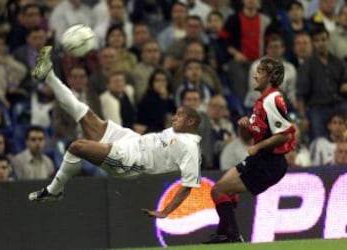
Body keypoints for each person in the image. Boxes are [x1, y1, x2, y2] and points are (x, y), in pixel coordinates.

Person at [28, 46, 202, 218]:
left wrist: (165, 212)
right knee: (83, 112)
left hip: (132, 161)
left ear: (191, 122)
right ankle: (49, 75)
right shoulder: (177, 133)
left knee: (77, 146)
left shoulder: (191, 147)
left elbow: (188, 185)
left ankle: (54, 191)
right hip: (132, 139)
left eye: (179, 116)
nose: (173, 119)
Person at [204, 57, 296, 243]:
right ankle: (225, 234)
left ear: (269, 77)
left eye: (260, 72)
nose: (255, 75)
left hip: (268, 163)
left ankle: (232, 237)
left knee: (219, 191)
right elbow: (264, 130)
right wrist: (247, 124)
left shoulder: (272, 99)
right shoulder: (263, 100)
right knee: (221, 190)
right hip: (261, 160)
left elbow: (285, 134)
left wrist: (258, 146)